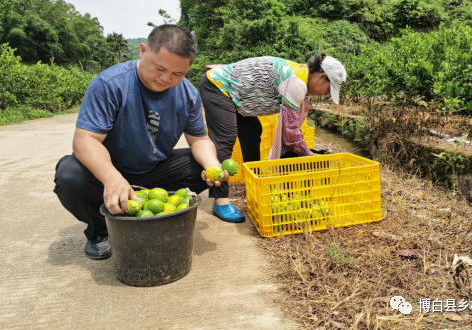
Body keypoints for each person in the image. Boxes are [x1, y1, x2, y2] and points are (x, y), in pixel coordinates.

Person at [54, 24, 227, 260]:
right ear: (143, 51)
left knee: (207, 164)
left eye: (178, 74)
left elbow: (199, 139)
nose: (166, 79)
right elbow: (86, 140)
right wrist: (112, 178)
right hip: (108, 171)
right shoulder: (110, 84)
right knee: (69, 175)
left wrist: (212, 166)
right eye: (160, 68)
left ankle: (159, 216)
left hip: (154, 169)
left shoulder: (188, 93)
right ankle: (100, 230)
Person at [199, 53, 346, 223]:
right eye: (328, 89)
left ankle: (253, 186)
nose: (324, 94)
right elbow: (290, 135)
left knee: (253, 131)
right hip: (218, 87)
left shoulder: (298, 74)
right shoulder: (296, 83)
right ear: (322, 77)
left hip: (236, 96)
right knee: (225, 137)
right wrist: (308, 154)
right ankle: (220, 199)